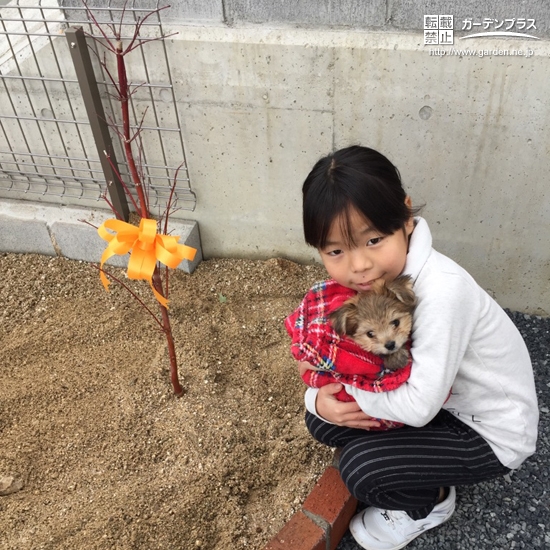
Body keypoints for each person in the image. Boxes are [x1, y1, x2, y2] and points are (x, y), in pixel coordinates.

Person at [297, 145, 539, 550]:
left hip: (488, 427)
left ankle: (431, 502)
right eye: (336, 251)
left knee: (361, 470)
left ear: (405, 217)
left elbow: (418, 408)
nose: (358, 265)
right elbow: (345, 360)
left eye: (373, 239)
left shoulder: (442, 292)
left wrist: (347, 393)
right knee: (323, 418)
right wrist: (318, 398)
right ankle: (413, 462)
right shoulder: (370, 285)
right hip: (437, 396)